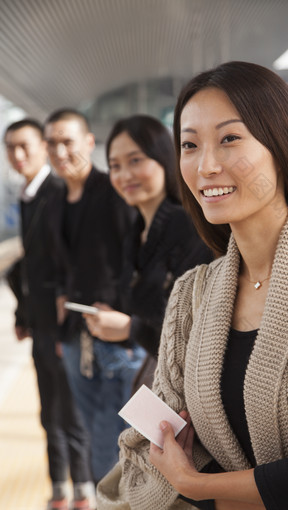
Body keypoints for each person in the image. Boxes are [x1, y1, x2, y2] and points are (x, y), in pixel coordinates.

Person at [99, 62, 288, 510]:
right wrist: (282, 480)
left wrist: (200, 486)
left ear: (282, 145)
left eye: (229, 139)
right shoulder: (193, 292)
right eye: (189, 145)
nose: (205, 165)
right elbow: (149, 449)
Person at [43, 109, 143, 485]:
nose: (59, 150)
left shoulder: (115, 192)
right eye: (51, 142)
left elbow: (138, 256)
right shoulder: (56, 201)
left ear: (88, 142)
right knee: (93, 437)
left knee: (114, 448)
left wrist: (127, 316)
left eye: (67, 140)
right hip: (74, 338)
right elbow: (60, 264)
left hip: (118, 340)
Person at [84, 115, 213, 391]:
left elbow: (197, 330)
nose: (124, 175)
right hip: (157, 374)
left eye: (135, 160)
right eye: (115, 166)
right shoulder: (137, 231)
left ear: (165, 159)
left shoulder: (189, 226)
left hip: (192, 390)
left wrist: (130, 328)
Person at [4, 119, 94, 510]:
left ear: (43, 146)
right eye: (10, 148)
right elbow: (28, 265)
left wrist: (65, 325)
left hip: (64, 327)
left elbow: (73, 264)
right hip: (41, 324)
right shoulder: (28, 193)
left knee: (71, 412)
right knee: (48, 410)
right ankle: (60, 487)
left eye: (25, 146)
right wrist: (24, 314)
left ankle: (84, 489)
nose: (17, 156)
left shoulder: (58, 191)